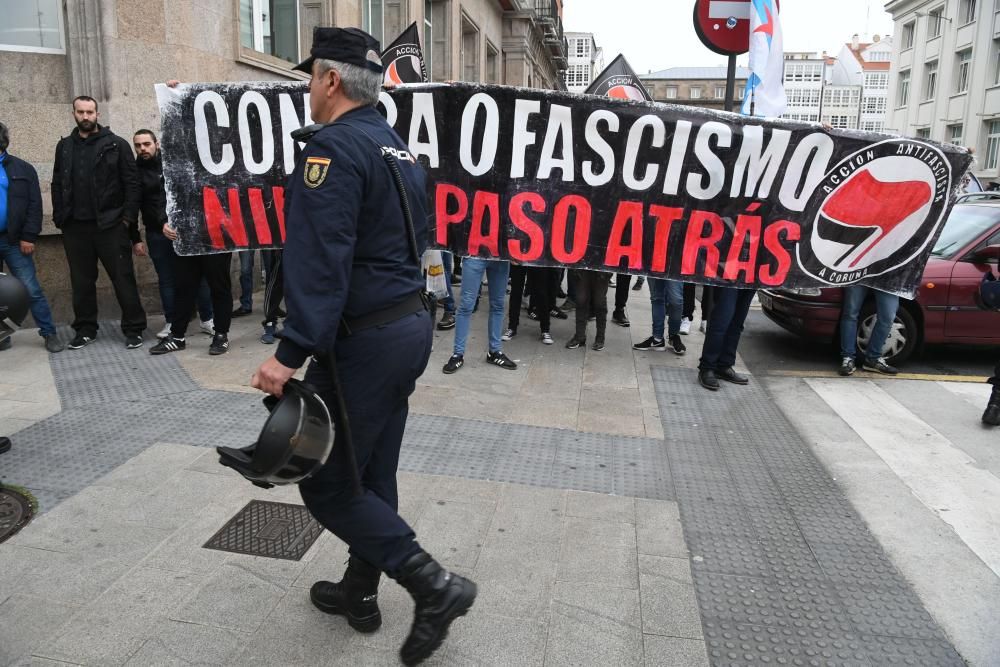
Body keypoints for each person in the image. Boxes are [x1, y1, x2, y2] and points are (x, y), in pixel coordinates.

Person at [250, 28, 476, 665]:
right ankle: (359, 590)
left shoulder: (332, 152)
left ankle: (433, 586)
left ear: (328, 81)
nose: (308, 92)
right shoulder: (394, 147)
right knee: (371, 470)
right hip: (404, 328)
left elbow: (322, 262)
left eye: (309, 80)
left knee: (325, 481)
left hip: (367, 339)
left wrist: (289, 352)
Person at [51, 95, 147, 349]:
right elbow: (57, 182)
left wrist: (126, 220)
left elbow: (132, 185)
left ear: (97, 114)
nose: (85, 116)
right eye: (81, 112)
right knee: (81, 282)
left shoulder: (116, 145)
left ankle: (134, 329)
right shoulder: (65, 147)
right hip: (75, 227)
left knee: (123, 279)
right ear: (74, 113)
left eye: (90, 112)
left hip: (110, 226)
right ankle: (85, 329)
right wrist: (61, 217)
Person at [132, 129, 215, 340]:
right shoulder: (134, 171)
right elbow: (134, 205)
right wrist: (136, 238)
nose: (142, 148)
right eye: (138, 145)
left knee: (200, 276)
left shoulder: (171, 164)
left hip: (183, 230)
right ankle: (172, 322)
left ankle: (207, 319)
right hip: (156, 232)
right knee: (167, 279)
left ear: (156, 144)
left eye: (146, 144)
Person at [0, 122, 63, 353]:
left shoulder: (22, 168)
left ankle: (49, 333)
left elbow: (35, 205)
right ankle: (1, 336)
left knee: (30, 289)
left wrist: (29, 236)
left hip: (14, 241)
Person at [443, 255, 516, 373]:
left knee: (497, 305)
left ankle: (494, 351)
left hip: (497, 255)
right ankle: (458, 353)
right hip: (477, 252)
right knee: (467, 306)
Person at [697, 286, 754, 390]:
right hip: (729, 275)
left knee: (737, 322)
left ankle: (724, 365)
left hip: (751, 276)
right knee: (721, 319)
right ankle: (707, 366)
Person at [837, 285, 900, 376]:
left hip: (886, 275)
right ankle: (848, 357)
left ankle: (872, 359)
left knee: (888, 316)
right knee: (850, 313)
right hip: (864, 273)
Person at [633, 278, 686, 355]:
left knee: (676, 301)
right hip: (655, 266)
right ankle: (657, 339)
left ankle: (674, 335)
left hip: (675, 267)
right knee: (656, 298)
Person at [565, 269, 610, 350]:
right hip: (584, 266)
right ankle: (579, 336)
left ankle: (600, 337)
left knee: (599, 302)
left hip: (601, 267)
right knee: (581, 300)